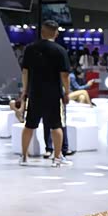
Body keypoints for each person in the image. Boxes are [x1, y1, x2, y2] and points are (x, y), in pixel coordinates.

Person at [19, 20, 72, 167]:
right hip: (54, 94)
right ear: (56, 33)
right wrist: (67, 92)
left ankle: (24, 157)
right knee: (56, 126)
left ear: (42, 31)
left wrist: (25, 90)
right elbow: (65, 75)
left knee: (29, 125)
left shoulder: (30, 49)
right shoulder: (60, 50)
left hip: (34, 93)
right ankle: (57, 158)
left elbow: (25, 72)